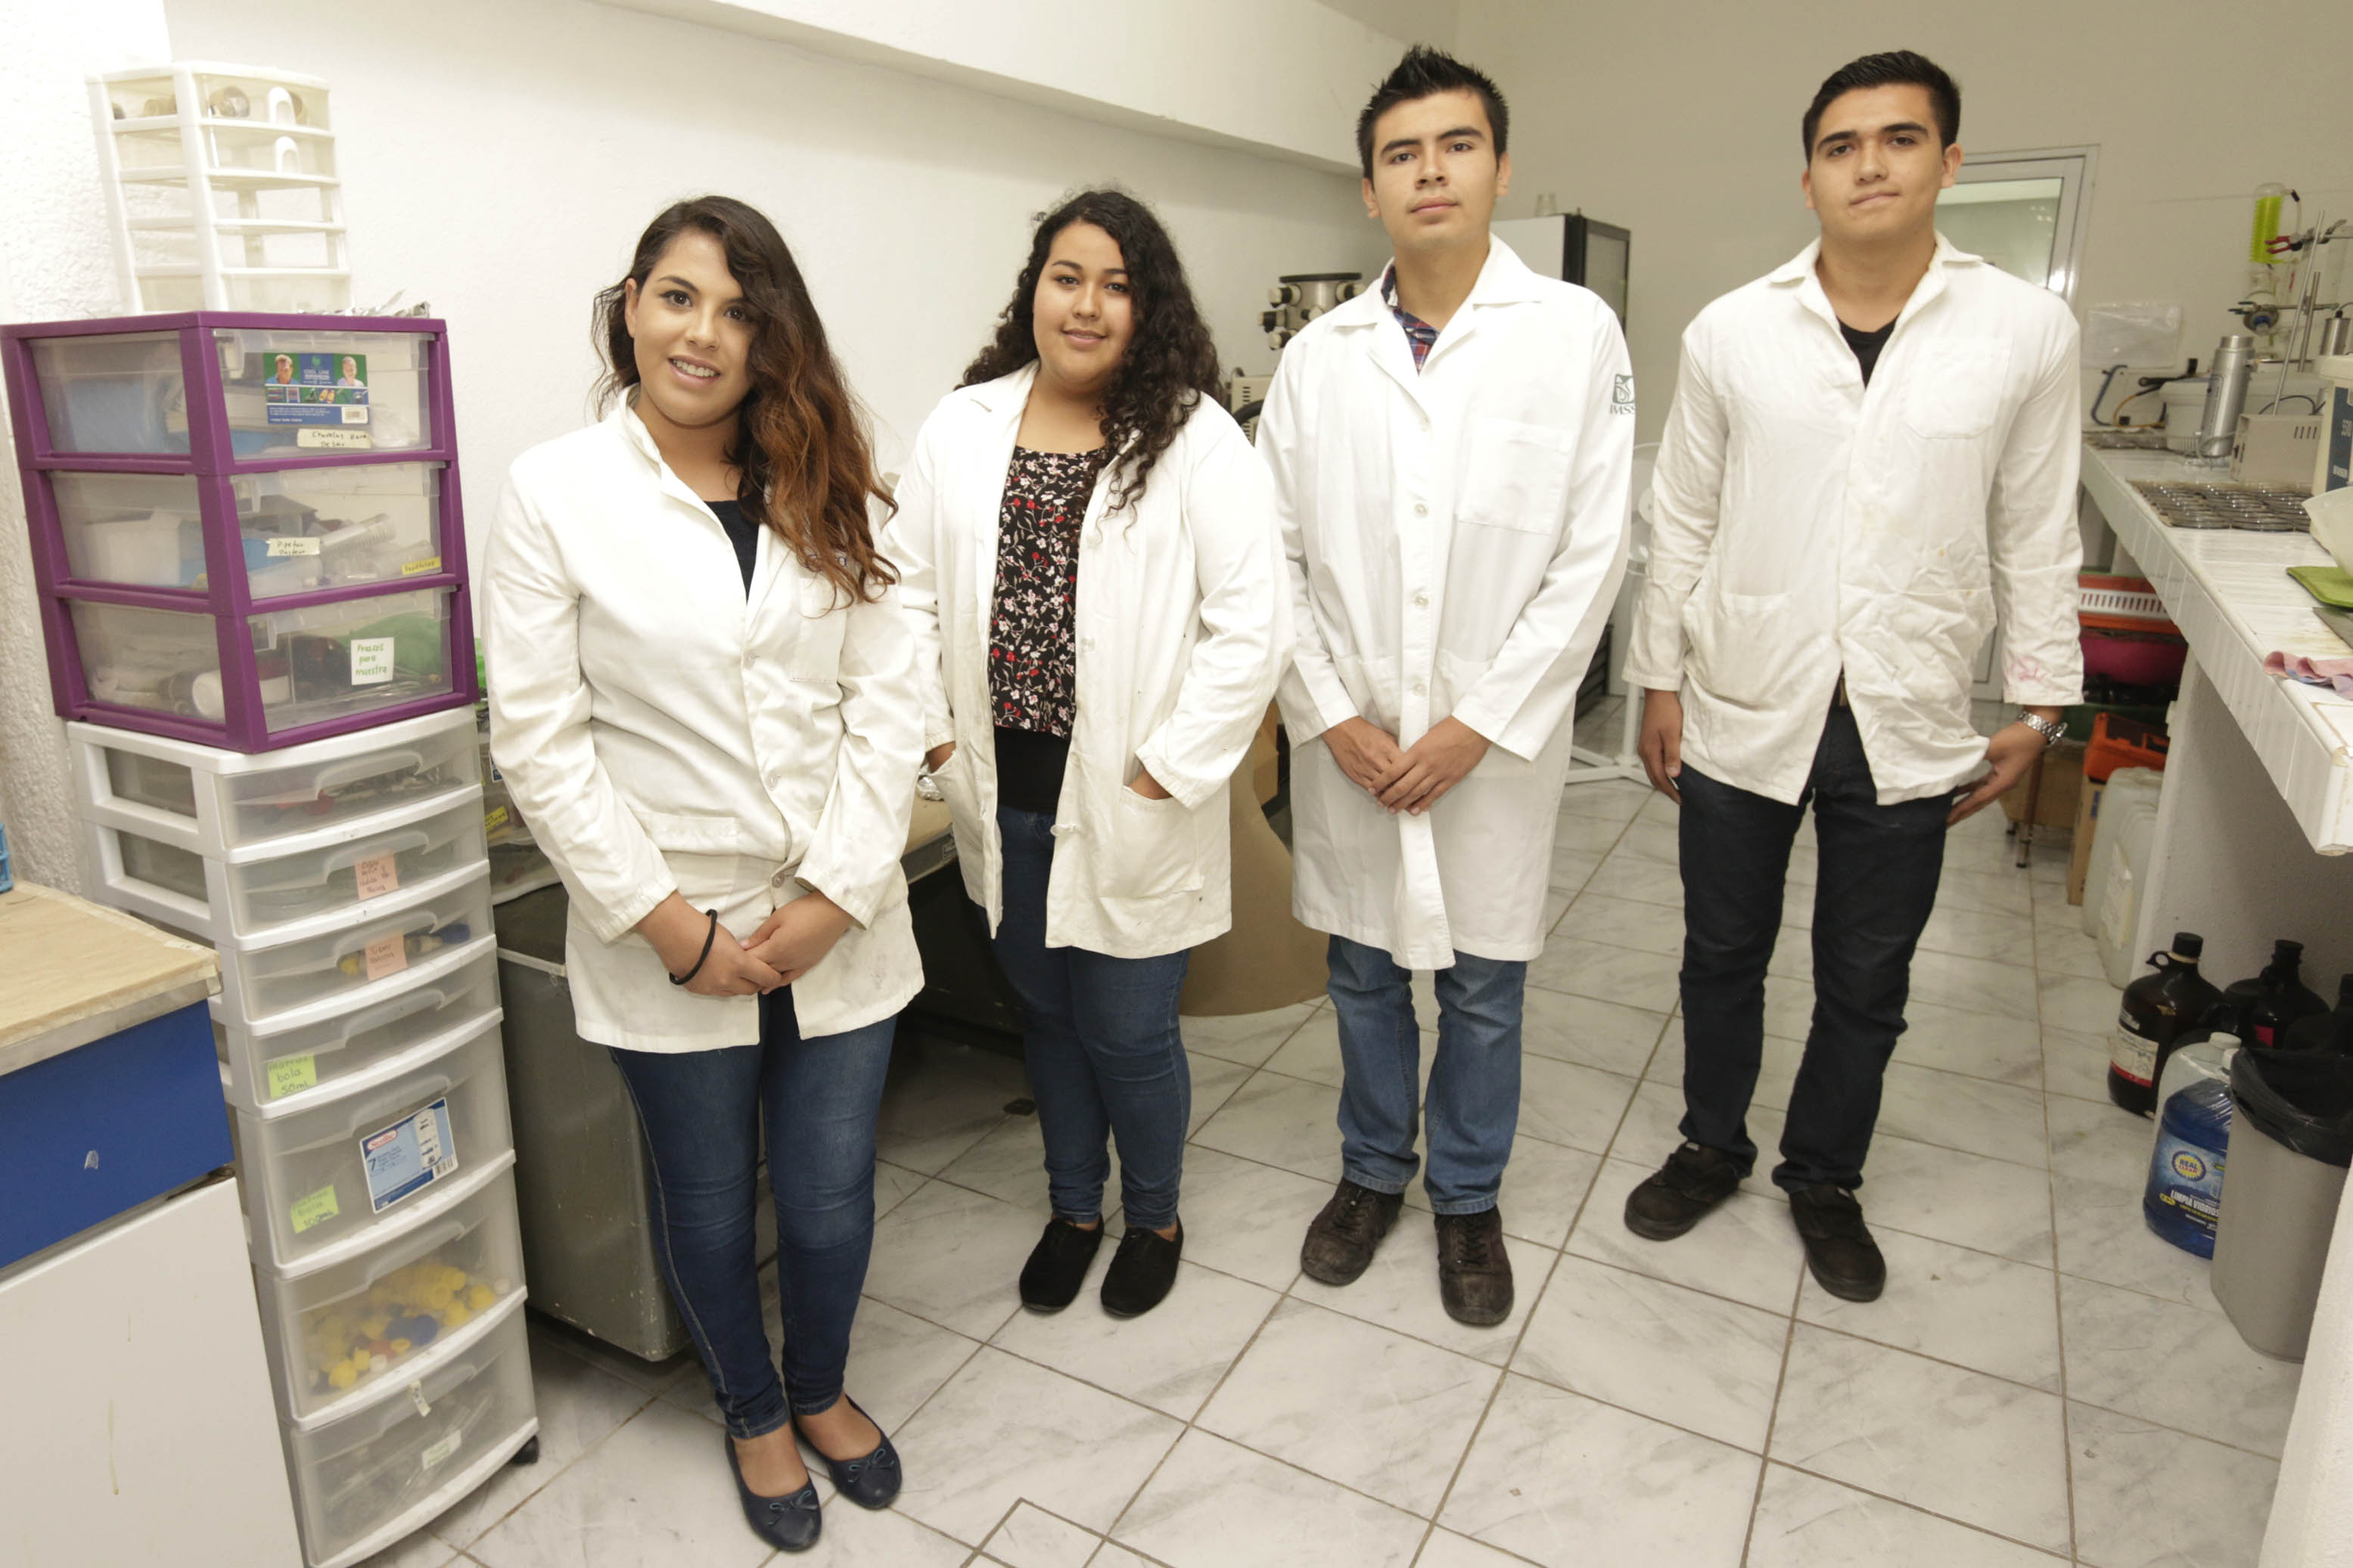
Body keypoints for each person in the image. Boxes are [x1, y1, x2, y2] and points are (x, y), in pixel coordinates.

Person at [485, 195, 922, 1553]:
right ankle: (751, 1408)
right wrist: (671, 926)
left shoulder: (829, 476)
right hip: (667, 919)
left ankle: (821, 1387)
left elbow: (888, 701)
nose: (704, 333)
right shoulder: (555, 491)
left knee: (832, 1193)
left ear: (770, 336)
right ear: (630, 305)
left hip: (836, 911)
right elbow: (540, 741)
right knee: (711, 1200)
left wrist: (836, 895)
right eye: (678, 297)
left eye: (739, 311)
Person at [1621, 51, 2082, 1303]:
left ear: (1948, 161)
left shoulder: (2021, 332)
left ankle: (1823, 1175)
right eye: (1840, 145)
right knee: (1720, 954)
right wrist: (1656, 678)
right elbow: (1681, 516)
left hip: (1906, 712)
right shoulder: (1732, 331)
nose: (1868, 164)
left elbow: (2037, 528)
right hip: (1740, 700)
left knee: (1866, 978)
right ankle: (1710, 1144)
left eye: (1898, 138)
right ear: (1808, 176)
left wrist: (2040, 704)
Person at [1263, 46, 1633, 1327]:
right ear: (1369, 190)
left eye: (1456, 146)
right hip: (1352, 739)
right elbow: (1270, 557)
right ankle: (1373, 1170)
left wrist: (1478, 724)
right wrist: (1330, 714)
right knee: (1364, 971)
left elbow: (1591, 553)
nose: (1431, 173)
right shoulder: (1319, 357)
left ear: (1500, 168)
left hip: (1493, 745)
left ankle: (1466, 1193)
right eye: (1402, 154)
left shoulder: (1574, 335)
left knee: (1482, 982)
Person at [894, 189, 1285, 1320]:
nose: (1087, 304)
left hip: (1127, 794)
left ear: (1146, 306)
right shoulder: (963, 426)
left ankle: (1153, 1215)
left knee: (1128, 1030)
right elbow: (905, 593)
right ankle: (1074, 1209)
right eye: (1067, 277)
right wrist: (934, 731)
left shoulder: (1195, 438)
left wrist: (1168, 766)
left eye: (1117, 285)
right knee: (1050, 1021)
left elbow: (1252, 624)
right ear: (1036, 289)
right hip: (1000, 790)